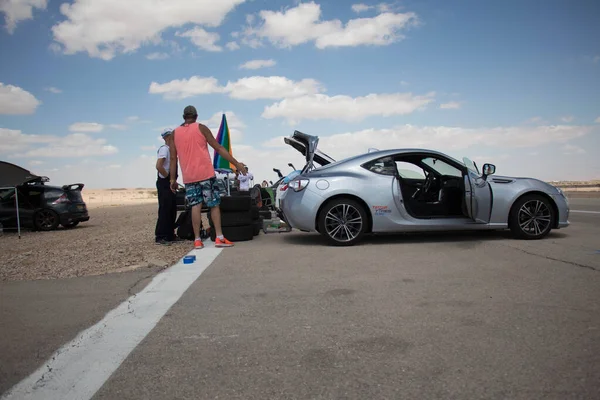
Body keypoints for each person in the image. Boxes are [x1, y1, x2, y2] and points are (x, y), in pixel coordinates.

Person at [169, 105, 246, 249]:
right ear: (196, 116)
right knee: (214, 205)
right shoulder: (201, 128)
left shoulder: (174, 133)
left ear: (184, 117)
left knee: (195, 206)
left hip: (189, 176)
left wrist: (172, 179)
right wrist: (236, 163)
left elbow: (173, 158)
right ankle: (219, 237)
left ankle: (197, 240)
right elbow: (218, 148)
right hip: (205, 174)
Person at [155, 129, 177, 245]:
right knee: (165, 209)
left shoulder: (171, 150)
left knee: (171, 209)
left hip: (169, 182)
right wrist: (169, 178)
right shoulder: (164, 149)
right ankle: (161, 236)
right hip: (164, 182)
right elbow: (159, 166)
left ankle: (170, 234)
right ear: (168, 137)